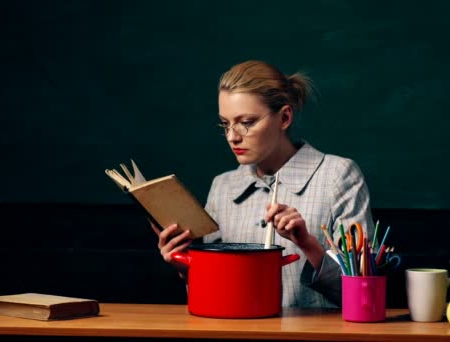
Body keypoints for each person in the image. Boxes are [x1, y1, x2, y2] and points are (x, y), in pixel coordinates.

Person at [153, 60, 375, 307]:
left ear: (284, 117)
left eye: (246, 122)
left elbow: (366, 295)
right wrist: (184, 266)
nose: (232, 136)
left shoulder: (338, 176)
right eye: (225, 124)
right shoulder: (223, 187)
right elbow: (217, 295)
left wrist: (307, 244)